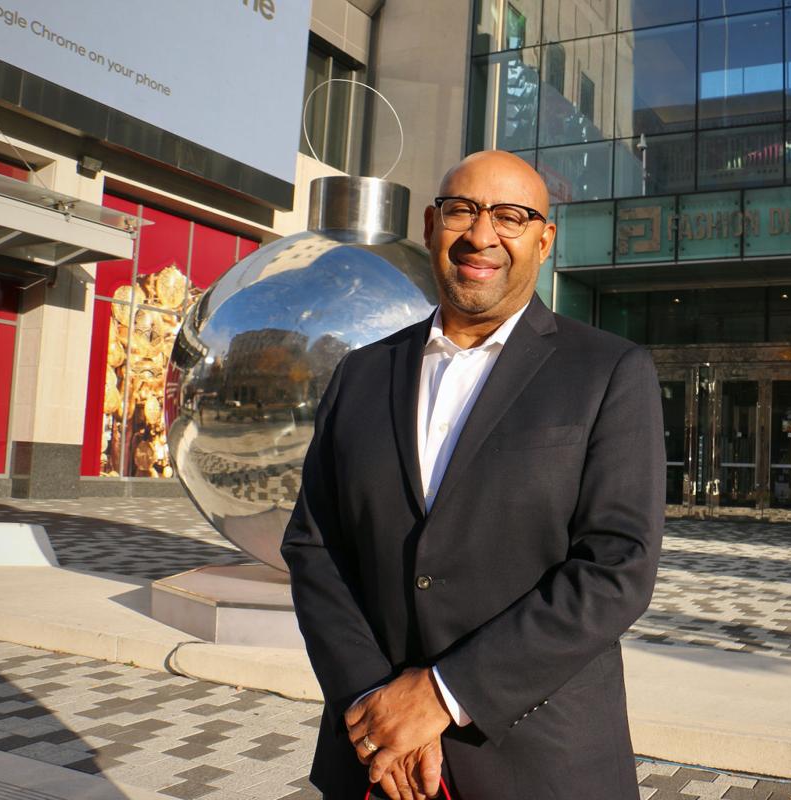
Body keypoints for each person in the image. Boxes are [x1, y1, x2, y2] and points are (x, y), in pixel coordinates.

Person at [281, 150, 665, 800]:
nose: (481, 235)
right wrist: (377, 706)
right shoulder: (361, 374)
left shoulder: (608, 373)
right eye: (462, 210)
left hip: (543, 766)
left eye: (511, 216)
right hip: (375, 762)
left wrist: (441, 694)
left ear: (544, 240)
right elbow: (316, 550)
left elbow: (616, 567)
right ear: (430, 226)